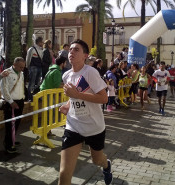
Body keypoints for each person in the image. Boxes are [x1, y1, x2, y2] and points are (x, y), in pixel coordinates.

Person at [58, 39, 112, 185]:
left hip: (94, 127)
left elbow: (104, 98)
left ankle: (106, 165)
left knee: (97, 160)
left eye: (76, 50)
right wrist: (68, 106)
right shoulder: (66, 75)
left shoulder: (90, 72)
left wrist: (77, 95)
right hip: (73, 126)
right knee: (63, 173)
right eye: (70, 50)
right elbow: (73, 97)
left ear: (85, 56)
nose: (71, 52)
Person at [0, 57, 26, 153]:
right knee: (10, 124)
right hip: (10, 102)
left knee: (17, 122)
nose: (22, 69)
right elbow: (4, 89)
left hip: (20, 101)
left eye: (23, 67)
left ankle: (12, 140)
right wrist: (11, 102)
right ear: (14, 65)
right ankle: (8, 144)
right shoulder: (7, 73)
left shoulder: (21, 73)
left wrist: (23, 97)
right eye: (20, 67)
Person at [26, 36, 44, 101]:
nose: (43, 43)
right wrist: (28, 67)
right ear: (39, 42)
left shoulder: (41, 49)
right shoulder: (31, 49)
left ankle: (36, 96)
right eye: (42, 42)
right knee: (32, 83)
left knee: (37, 83)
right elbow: (28, 59)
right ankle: (30, 97)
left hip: (39, 67)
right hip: (33, 67)